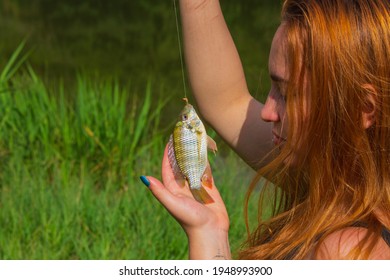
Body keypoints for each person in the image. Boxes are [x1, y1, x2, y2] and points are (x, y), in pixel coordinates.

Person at [140, 0, 390, 259]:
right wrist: (209, 232)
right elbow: (227, 102)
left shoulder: (348, 253)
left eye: (286, 93)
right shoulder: (330, 179)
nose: (266, 112)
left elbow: (227, 104)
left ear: (363, 107)